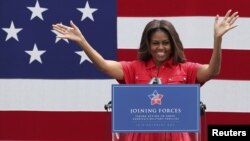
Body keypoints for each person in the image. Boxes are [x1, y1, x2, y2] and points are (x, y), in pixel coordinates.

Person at [52, 9, 238, 141]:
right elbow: (105, 66)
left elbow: (213, 71)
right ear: (147, 45)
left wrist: (218, 39)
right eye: (155, 43)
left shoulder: (187, 69)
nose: (160, 48)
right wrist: (82, 42)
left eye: (165, 43)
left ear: (173, 43)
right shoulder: (133, 68)